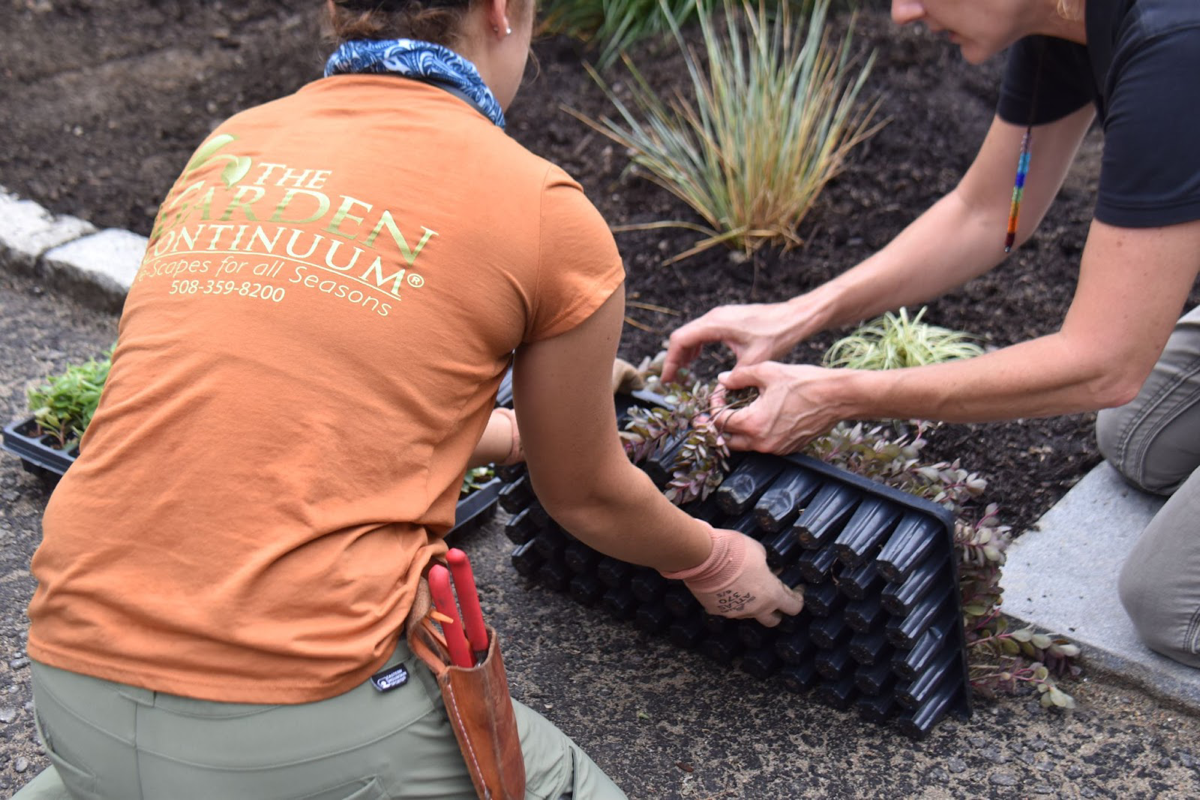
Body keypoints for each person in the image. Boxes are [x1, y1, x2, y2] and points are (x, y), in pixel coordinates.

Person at [14, 0, 805, 798]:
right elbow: (589, 496)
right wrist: (712, 557)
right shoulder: (540, 207)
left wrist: (505, 434)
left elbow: (292, 401)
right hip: (298, 725)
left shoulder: (234, 142)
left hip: (69, 684)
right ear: (502, 11)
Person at [663, 0, 1200, 668]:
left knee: (1169, 605)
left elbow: (1104, 365)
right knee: (1139, 444)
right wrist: (797, 311)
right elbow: (984, 213)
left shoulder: (1177, 48)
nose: (902, 12)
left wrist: (838, 395)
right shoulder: (1061, 20)